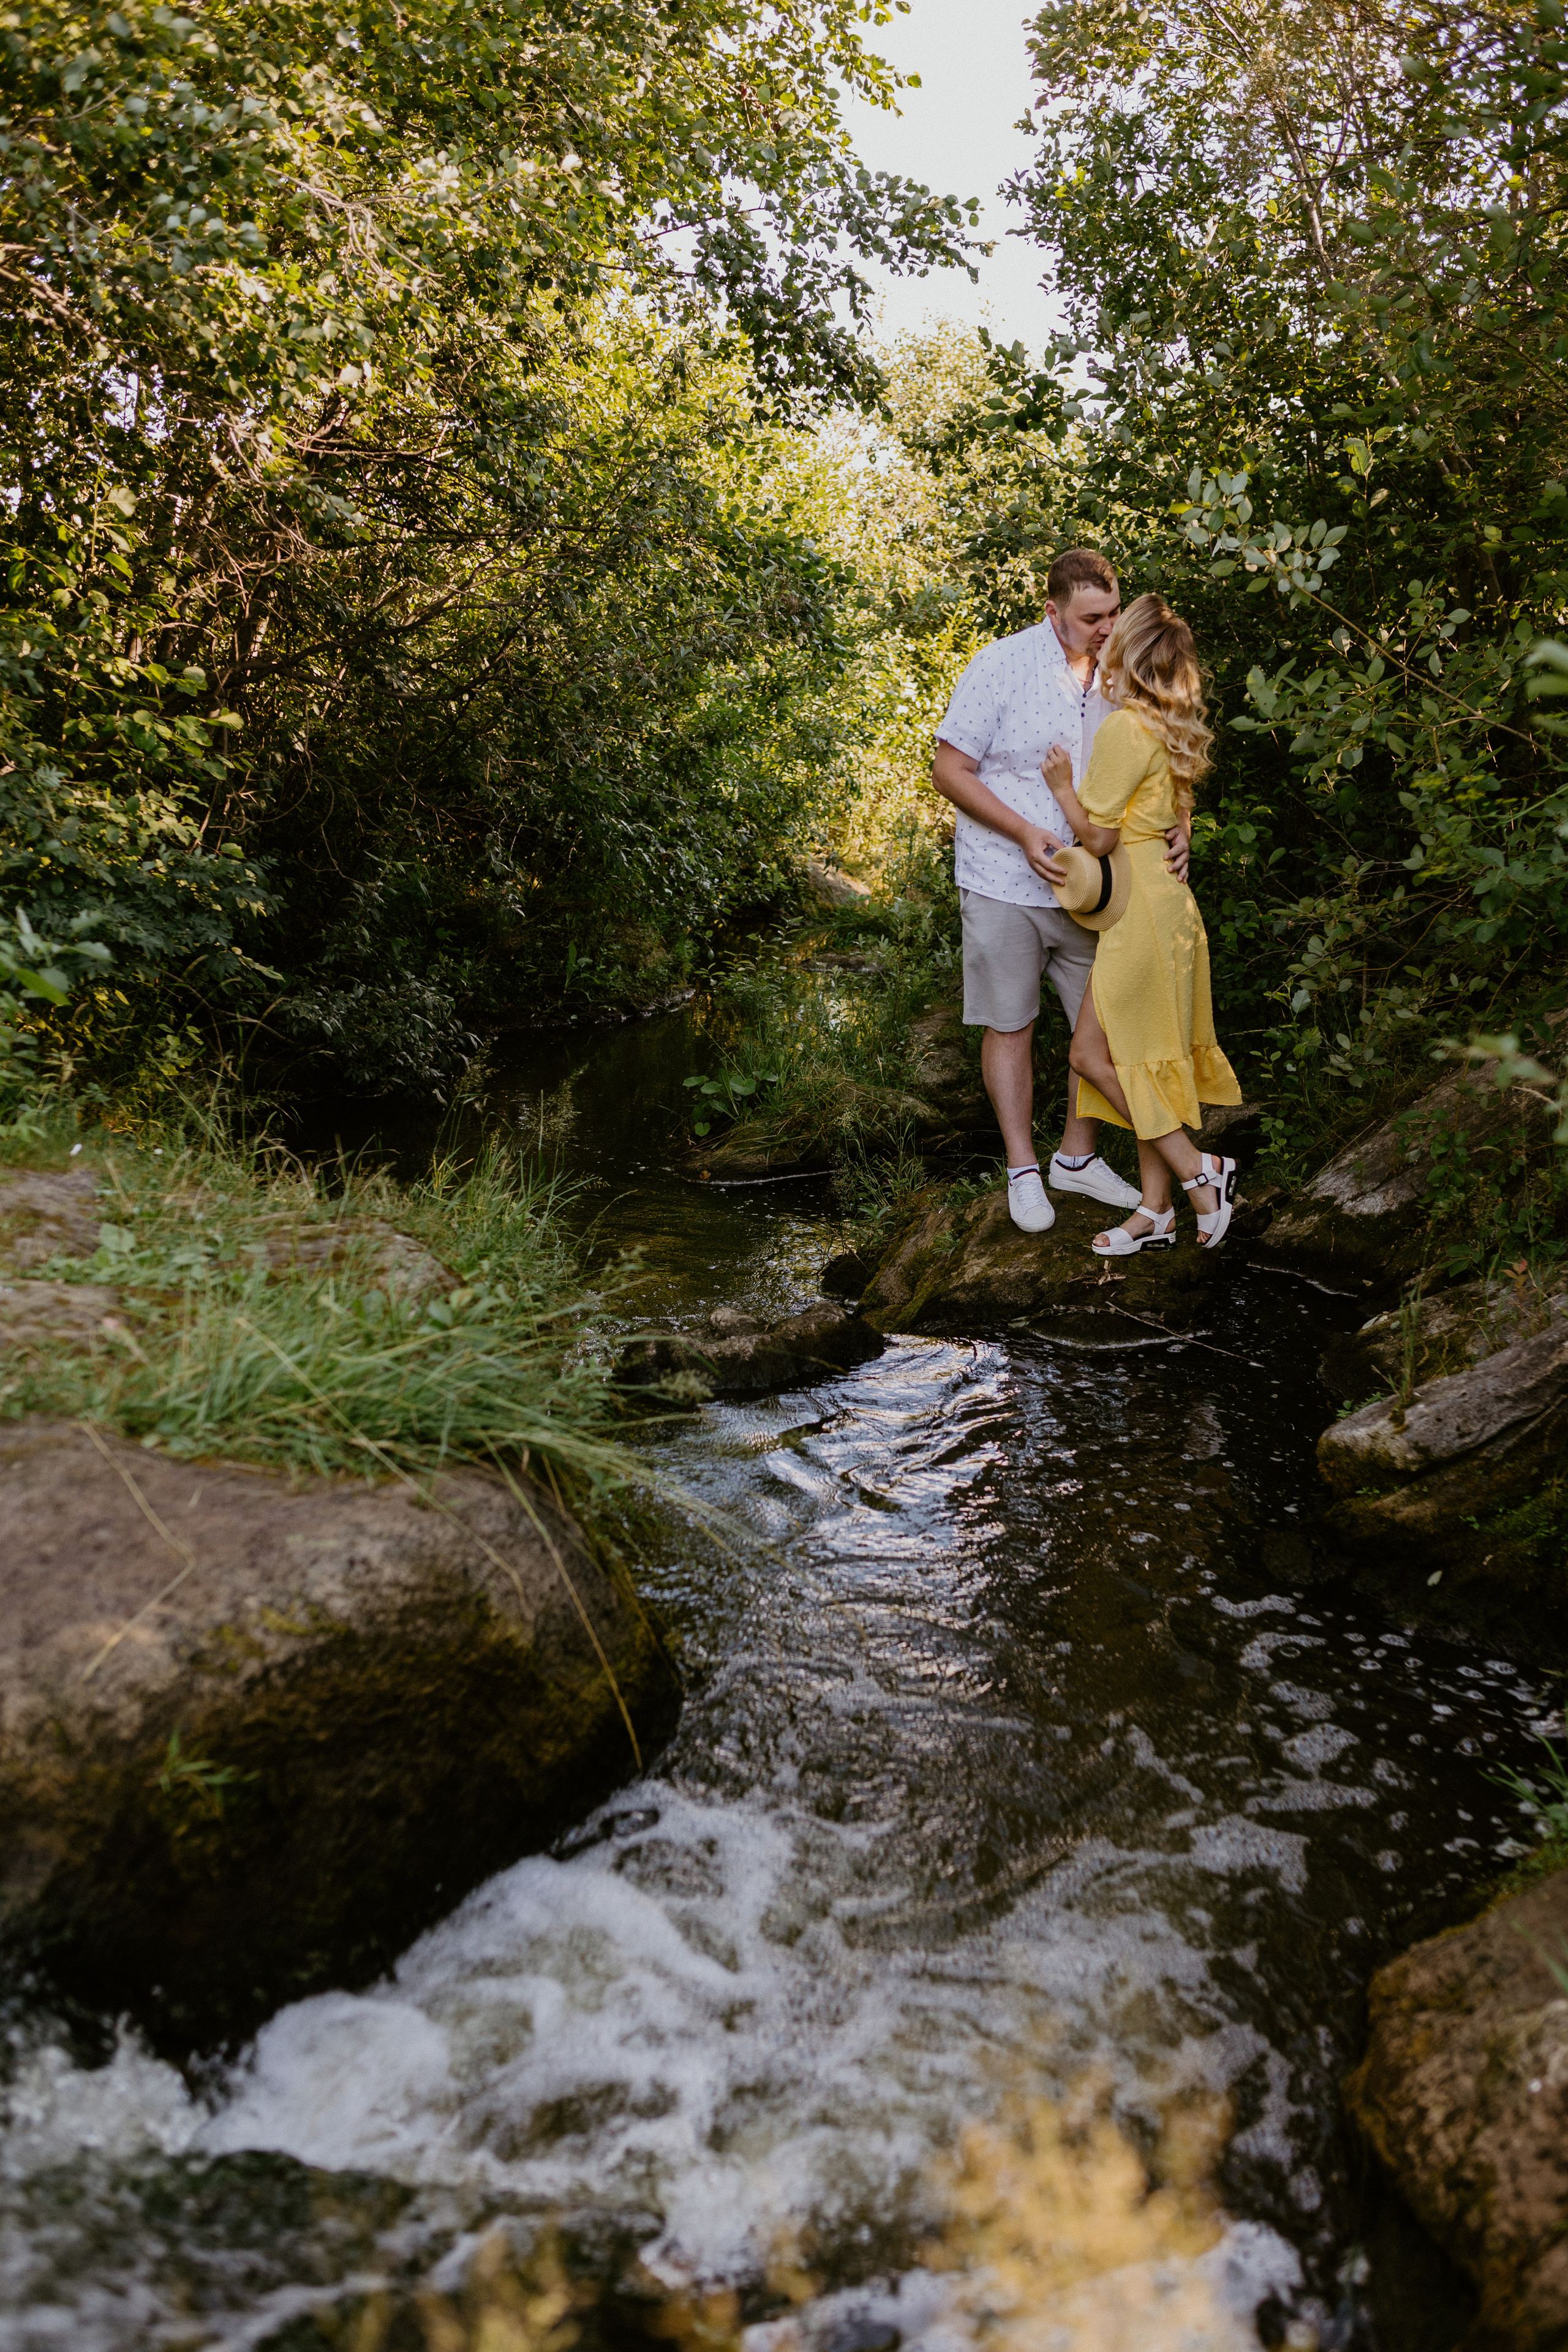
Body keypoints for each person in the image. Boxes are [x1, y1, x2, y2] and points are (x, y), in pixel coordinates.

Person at [932, 548, 1189, 1234]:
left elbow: (1165, 752)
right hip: (1001, 879)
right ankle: (1022, 1167)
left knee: (1099, 1034)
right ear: (1052, 611)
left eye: (1112, 614)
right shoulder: (998, 666)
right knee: (1010, 1022)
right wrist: (1022, 830)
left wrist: (1181, 824)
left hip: (1102, 892)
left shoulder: (1126, 669)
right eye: (1090, 619)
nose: (1106, 629)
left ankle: (1076, 1158)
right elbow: (948, 769)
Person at [1036, 592, 1244, 1257]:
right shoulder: (1164, 724)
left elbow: (1095, 838)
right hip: (1161, 907)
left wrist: (1063, 787)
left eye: (1112, 635)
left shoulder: (1127, 728)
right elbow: (1164, 813)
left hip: (1141, 913)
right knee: (1136, 1060)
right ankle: (1156, 1210)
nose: (1101, 644)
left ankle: (1196, 1172)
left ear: (1129, 653)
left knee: (1091, 1056)